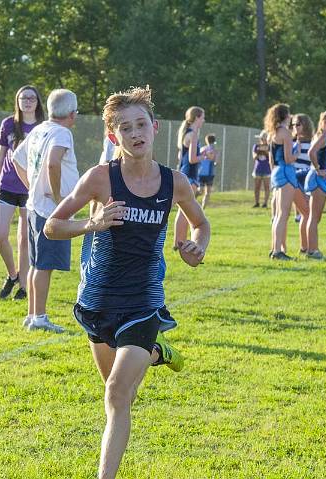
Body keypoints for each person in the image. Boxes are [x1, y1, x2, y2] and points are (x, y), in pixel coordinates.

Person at [44, 87, 210, 479]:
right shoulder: (100, 179)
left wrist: (195, 247)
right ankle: (156, 352)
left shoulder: (175, 183)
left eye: (141, 125)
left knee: (117, 394)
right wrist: (93, 222)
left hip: (143, 302)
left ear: (155, 128)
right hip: (97, 303)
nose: (136, 133)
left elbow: (201, 224)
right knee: (122, 395)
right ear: (113, 137)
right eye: (125, 127)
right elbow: (52, 226)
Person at [11, 89, 80, 332]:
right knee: (43, 266)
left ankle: (32, 314)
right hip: (50, 210)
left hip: (34, 206)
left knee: (36, 264)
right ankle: (39, 317)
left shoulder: (40, 129)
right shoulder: (62, 133)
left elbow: (16, 159)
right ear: (72, 113)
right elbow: (52, 162)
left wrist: (32, 186)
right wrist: (60, 197)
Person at [0, 85, 44, 300]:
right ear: (17, 101)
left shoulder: (43, 127)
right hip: (7, 186)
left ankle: (24, 287)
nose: (27, 101)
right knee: (0, 236)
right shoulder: (9, 124)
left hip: (30, 189)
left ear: (38, 102)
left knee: (24, 240)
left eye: (31, 98)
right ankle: (12, 275)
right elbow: (0, 157)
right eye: (23, 98)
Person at [304, 111, 326, 259]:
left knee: (316, 217)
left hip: (322, 181)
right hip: (318, 180)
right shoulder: (323, 137)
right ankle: (312, 251)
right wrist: (318, 169)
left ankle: (311, 248)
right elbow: (311, 153)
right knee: (313, 217)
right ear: (324, 122)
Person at [266, 103, 298, 260]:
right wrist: (297, 152)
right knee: (283, 214)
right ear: (286, 115)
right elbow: (288, 158)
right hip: (286, 171)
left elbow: (271, 160)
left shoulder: (271, 133)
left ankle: (274, 248)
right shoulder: (285, 132)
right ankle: (278, 251)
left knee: (278, 214)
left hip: (276, 172)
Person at [173, 106, 207, 249]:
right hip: (189, 175)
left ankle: (178, 242)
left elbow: (182, 156)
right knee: (185, 210)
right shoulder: (192, 134)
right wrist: (205, 155)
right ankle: (179, 242)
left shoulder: (186, 133)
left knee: (183, 209)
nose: (204, 120)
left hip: (185, 172)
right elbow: (193, 159)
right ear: (197, 117)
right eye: (203, 117)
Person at [291, 113, 314, 254]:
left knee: (307, 215)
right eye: (292, 125)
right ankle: (304, 248)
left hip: (307, 181)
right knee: (306, 214)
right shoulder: (292, 143)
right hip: (294, 181)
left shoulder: (313, 143)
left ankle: (305, 247)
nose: (294, 127)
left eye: (297, 124)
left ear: (305, 125)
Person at [198, 133, 219, 209]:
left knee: (201, 191)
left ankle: (201, 209)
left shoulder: (202, 149)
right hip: (208, 173)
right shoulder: (214, 150)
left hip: (201, 172)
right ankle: (201, 207)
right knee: (207, 193)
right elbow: (216, 162)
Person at [252, 130, 271, 208]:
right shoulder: (256, 146)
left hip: (267, 169)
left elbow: (271, 158)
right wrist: (259, 152)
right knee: (257, 187)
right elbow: (254, 157)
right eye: (262, 138)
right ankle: (257, 202)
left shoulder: (269, 147)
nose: (263, 140)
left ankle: (265, 203)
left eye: (264, 138)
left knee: (266, 187)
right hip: (258, 169)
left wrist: (266, 152)